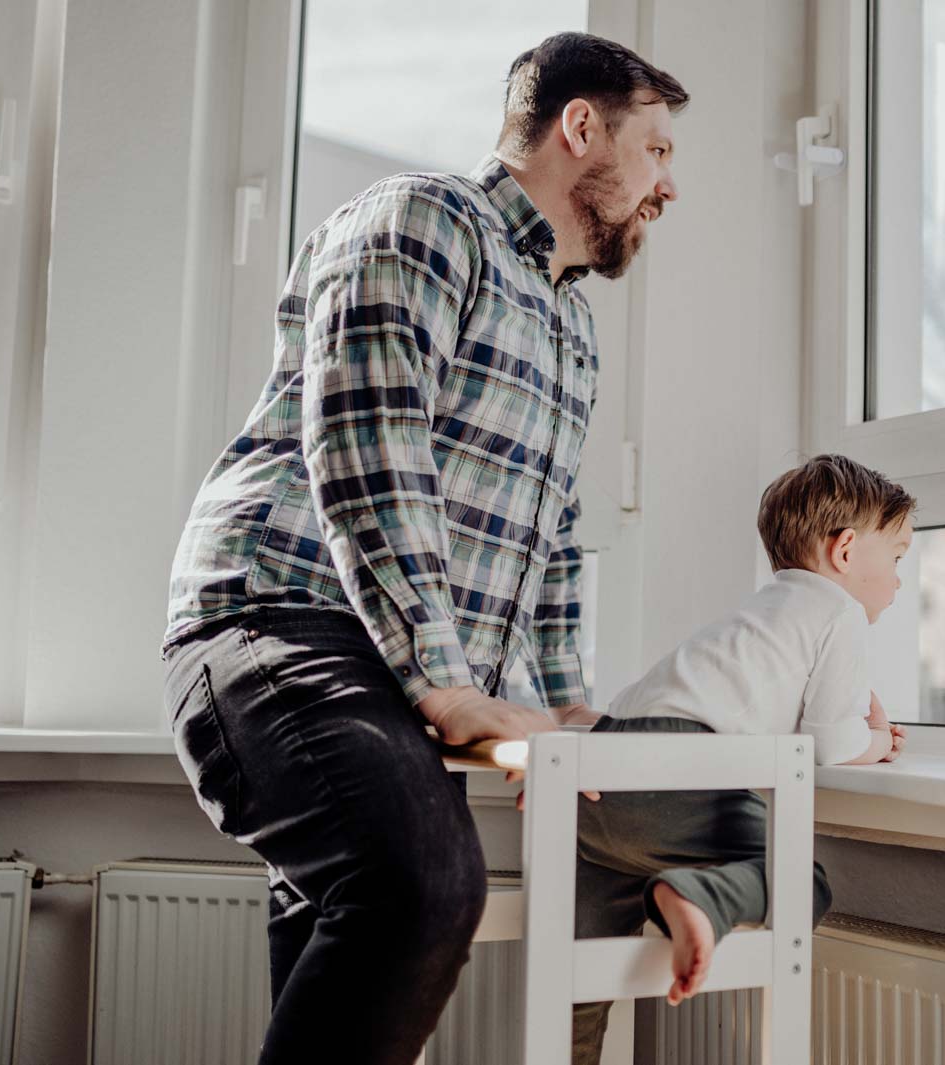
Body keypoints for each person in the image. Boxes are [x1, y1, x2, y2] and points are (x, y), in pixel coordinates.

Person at [158, 32, 686, 1065]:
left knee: (353, 929)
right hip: (279, 623)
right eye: (657, 151)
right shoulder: (425, 221)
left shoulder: (570, 331)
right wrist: (450, 686)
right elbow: (371, 447)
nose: (670, 186)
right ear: (582, 128)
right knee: (421, 885)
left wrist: (567, 703)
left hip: (390, 673)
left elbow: (549, 536)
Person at [566, 453, 914, 1065]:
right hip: (676, 776)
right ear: (847, 551)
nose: (899, 579)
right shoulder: (838, 612)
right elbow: (832, 743)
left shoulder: (759, 611)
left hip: (599, 780)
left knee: (581, 984)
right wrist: (881, 741)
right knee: (802, 880)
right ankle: (700, 898)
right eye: (898, 557)